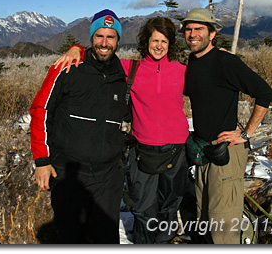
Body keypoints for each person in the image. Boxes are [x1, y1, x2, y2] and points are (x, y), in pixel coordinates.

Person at [54, 17, 189, 244]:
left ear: (170, 44)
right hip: (142, 150)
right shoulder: (130, 68)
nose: (158, 46)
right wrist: (75, 49)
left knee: (169, 206)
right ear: (146, 42)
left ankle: (165, 242)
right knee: (143, 209)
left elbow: (209, 80)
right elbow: (100, 55)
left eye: (164, 41)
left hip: (177, 150)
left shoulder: (182, 71)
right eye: (154, 40)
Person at [29, 9, 127, 244]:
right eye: (99, 36)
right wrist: (42, 161)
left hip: (108, 177)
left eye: (111, 37)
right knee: (71, 237)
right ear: (91, 38)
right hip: (69, 172)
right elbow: (40, 112)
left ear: (118, 40)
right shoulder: (67, 67)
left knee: (106, 238)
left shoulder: (124, 73)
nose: (104, 43)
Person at [181, 7, 272, 244]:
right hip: (203, 152)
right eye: (188, 29)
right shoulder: (192, 62)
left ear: (212, 34)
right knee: (205, 218)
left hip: (226, 151)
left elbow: (265, 93)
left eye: (199, 29)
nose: (193, 34)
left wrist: (246, 133)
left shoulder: (225, 62)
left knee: (223, 225)